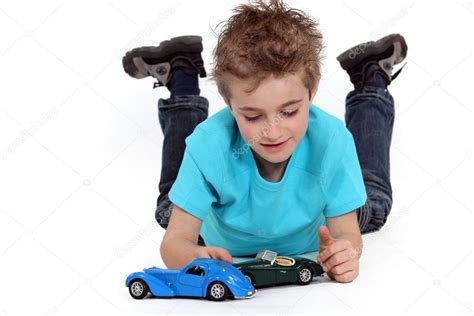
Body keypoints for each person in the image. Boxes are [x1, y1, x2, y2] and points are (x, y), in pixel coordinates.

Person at [122, 0, 407, 283]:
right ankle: (182, 73)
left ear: (312, 91)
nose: (272, 132)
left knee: (374, 206)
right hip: (212, 230)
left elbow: (347, 235)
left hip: (315, 223)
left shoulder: (332, 141)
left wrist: (345, 253)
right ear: (229, 103)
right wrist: (192, 259)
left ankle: (371, 76)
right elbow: (174, 244)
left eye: (289, 112)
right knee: (169, 210)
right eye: (253, 116)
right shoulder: (209, 145)